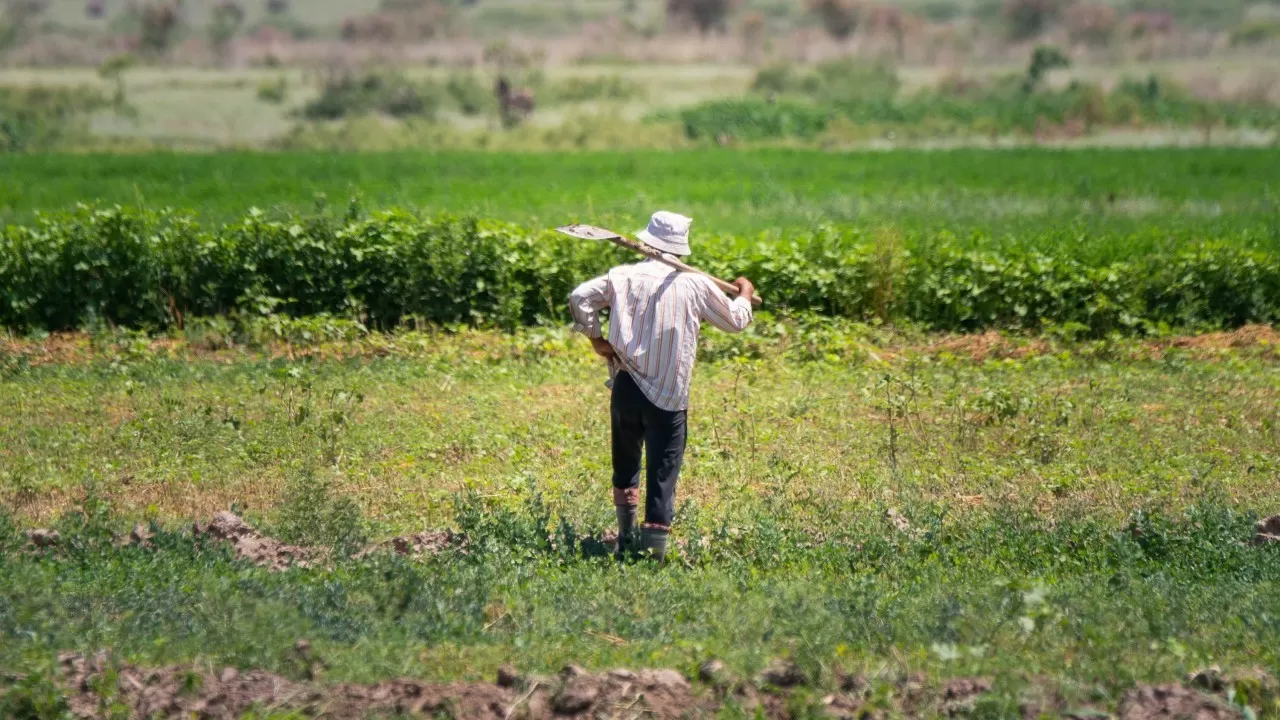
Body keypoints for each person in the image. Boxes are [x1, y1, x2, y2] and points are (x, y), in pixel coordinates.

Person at [569, 211, 756, 562]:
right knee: (662, 473)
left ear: (647, 243)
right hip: (668, 398)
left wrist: (596, 339)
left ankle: (625, 540)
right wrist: (744, 292)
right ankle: (652, 559)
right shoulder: (696, 284)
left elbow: (580, 296)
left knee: (625, 464)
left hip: (625, 386)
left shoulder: (621, 276)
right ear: (682, 249)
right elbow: (735, 321)